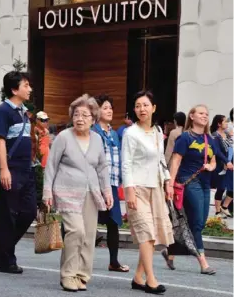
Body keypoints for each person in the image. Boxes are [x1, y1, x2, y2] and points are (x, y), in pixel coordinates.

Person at [43, 94, 113, 292]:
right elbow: (51, 165)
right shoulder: (64, 137)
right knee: (76, 231)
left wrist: (107, 192)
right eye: (76, 114)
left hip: (91, 192)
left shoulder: (98, 139)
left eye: (84, 115)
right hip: (66, 191)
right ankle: (68, 275)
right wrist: (47, 192)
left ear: (93, 118)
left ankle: (82, 274)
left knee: (89, 235)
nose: (79, 118)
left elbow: (101, 168)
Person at [122, 91, 174, 295]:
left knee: (153, 235)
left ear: (153, 108)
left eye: (145, 105)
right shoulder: (130, 133)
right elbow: (126, 164)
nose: (141, 109)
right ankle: (151, 280)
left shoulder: (157, 131)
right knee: (146, 234)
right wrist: (129, 192)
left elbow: (161, 158)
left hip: (156, 187)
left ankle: (137, 278)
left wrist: (168, 181)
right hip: (137, 188)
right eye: (137, 105)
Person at [0, 71, 37, 274]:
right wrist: (4, 170)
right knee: (8, 216)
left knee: (29, 213)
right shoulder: (3, 111)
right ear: (14, 89)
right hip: (11, 170)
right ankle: (7, 259)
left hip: (27, 170)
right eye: (26, 85)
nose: (30, 89)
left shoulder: (22, 111)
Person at [164, 104, 217, 275]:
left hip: (205, 183)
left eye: (207, 114)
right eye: (201, 113)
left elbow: (214, 160)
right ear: (192, 116)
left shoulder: (210, 139)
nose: (205, 116)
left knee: (198, 221)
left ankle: (171, 252)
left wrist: (211, 165)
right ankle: (203, 262)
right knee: (196, 223)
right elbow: (175, 162)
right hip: (188, 182)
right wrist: (170, 184)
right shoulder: (185, 138)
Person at [93, 94, 129, 273]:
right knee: (89, 221)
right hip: (95, 184)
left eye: (110, 108)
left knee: (113, 223)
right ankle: (79, 260)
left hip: (112, 183)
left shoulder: (114, 133)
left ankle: (113, 261)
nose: (109, 111)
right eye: (105, 107)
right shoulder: (92, 131)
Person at [211, 115, 233, 218]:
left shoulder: (227, 135)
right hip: (221, 164)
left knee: (231, 187)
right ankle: (217, 210)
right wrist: (226, 161)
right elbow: (217, 151)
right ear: (219, 124)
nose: (227, 123)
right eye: (225, 122)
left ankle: (224, 206)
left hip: (230, 164)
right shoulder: (215, 136)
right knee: (221, 187)